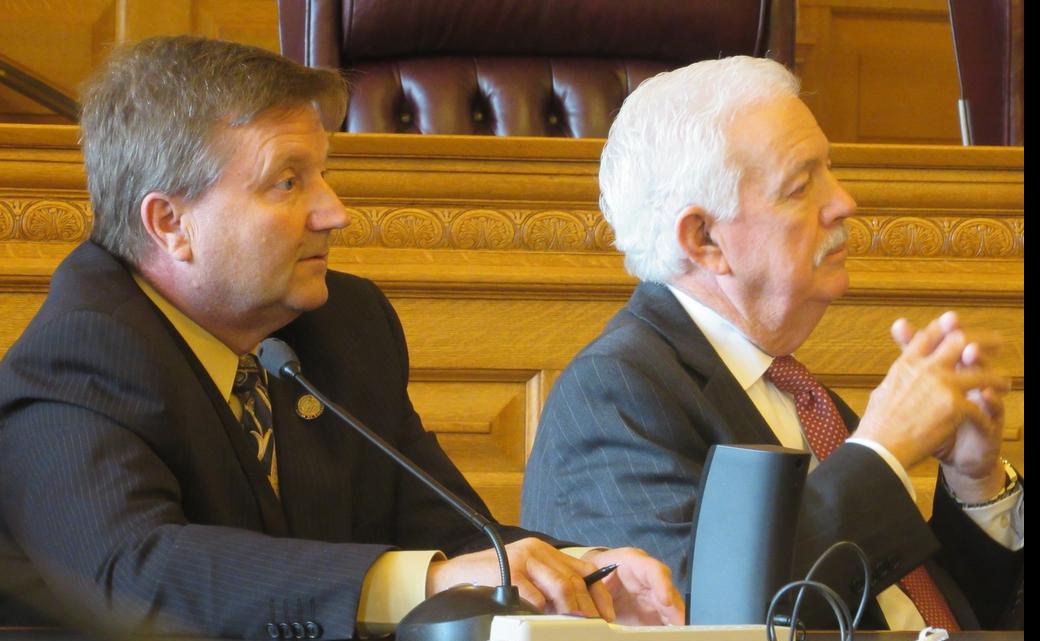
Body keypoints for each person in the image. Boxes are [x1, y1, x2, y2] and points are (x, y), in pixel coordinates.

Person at [0, 36, 683, 639]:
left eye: (323, 174)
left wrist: (572, 569)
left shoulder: (343, 327)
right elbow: (132, 571)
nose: (334, 211)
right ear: (170, 222)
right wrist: (419, 581)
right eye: (288, 181)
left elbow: (446, 538)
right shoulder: (77, 355)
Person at [520, 56, 1023, 630]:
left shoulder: (803, 397)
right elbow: (703, 615)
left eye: (830, 171)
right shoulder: (614, 395)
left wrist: (975, 484)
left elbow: (932, 615)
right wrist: (882, 448)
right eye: (801, 186)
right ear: (704, 238)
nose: (844, 202)